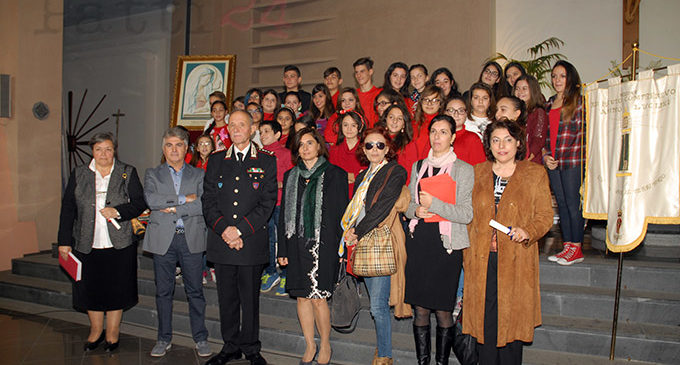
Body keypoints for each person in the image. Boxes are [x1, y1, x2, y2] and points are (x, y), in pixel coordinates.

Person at [464, 119, 553, 365]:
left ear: (518, 144)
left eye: (508, 140)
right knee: (485, 324)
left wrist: (528, 231)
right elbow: (466, 215)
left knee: (512, 322)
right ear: (488, 144)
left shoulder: (535, 174)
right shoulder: (477, 172)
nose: (501, 145)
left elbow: (545, 217)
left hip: (515, 260)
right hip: (480, 260)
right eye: (495, 140)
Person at [58, 132, 147, 352]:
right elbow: (68, 208)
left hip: (119, 242)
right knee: (90, 289)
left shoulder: (127, 172)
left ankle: (112, 332)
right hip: (86, 243)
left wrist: (117, 211)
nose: (103, 154)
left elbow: (139, 204)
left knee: (117, 288)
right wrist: (64, 240)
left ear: (114, 150)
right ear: (92, 151)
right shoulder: (79, 173)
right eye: (99, 149)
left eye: (108, 149)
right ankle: (96, 331)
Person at [202, 111, 278, 365]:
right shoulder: (215, 160)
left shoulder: (266, 160)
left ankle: (251, 347)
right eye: (231, 125)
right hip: (222, 241)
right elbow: (208, 200)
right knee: (227, 298)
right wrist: (225, 230)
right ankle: (230, 346)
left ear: (252, 128)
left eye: (241, 125)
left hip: (251, 241)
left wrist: (240, 230)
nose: (235, 129)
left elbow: (268, 203)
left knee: (249, 298)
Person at [404, 115, 473, 365]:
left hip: (446, 246)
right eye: (434, 131)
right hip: (420, 242)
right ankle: (423, 362)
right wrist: (415, 211)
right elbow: (409, 205)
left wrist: (436, 205)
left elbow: (466, 213)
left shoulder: (463, 169)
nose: (437, 136)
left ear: (453, 137)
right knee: (420, 310)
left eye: (443, 132)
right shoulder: (418, 166)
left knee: (444, 311)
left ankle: (441, 362)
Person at [277, 127, 349, 365]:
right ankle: (309, 344)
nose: (305, 148)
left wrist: (341, 250)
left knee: (319, 298)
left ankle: (325, 344)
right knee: (302, 298)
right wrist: (283, 251)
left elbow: (342, 214)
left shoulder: (335, 174)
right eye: (301, 144)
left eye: (310, 143)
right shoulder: (290, 176)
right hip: (296, 244)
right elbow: (283, 216)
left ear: (319, 146)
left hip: (324, 246)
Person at [341, 126, 411, 365]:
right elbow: (356, 210)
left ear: (388, 148)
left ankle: (384, 355)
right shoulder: (362, 176)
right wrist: (349, 233)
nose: (374, 149)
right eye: (369, 145)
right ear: (363, 148)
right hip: (359, 241)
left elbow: (380, 209)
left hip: (378, 241)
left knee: (378, 307)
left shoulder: (395, 171)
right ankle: (382, 351)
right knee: (375, 305)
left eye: (380, 145)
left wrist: (357, 232)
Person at [143, 127, 211, 358]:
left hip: (190, 238)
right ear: (164, 149)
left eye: (178, 144)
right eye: (169, 145)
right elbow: (152, 200)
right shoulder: (153, 174)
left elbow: (203, 204)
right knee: (163, 292)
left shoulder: (199, 175)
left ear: (187, 149)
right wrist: (184, 200)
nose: (174, 149)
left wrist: (171, 207)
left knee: (195, 291)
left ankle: (200, 338)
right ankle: (163, 338)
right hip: (163, 240)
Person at [543, 60, 586, 266]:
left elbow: (582, 134)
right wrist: (545, 156)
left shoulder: (578, 101)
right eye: (554, 76)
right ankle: (567, 246)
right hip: (553, 162)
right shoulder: (550, 102)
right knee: (561, 205)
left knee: (572, 205)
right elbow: (545, 135)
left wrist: (560, 157)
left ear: (570, 77)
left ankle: (576, 247)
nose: (557, 80)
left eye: (562, 76)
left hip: (572, 160)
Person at [259, 119, 293, 296]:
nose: (263, 135)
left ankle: (287, 274)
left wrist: (279, 184)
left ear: (277, 134)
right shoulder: (257, 154)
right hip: (264, 205)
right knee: (267, 239)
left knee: (284, 240)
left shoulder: (286, 153)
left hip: (281, 202)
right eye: (261, 132)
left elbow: (292, 178)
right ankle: (271, 271)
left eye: (267, 131)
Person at [329, 110, 368, 196]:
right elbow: (332, 175)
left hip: (361, 194)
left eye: (353, 125)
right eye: (345, 125)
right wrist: (352, 176)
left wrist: (347, 176)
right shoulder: (334, 150)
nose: (349, 129)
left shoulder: (366, 149)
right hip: (339, 193)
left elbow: (366, 176)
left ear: (360, 128)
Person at [376, 104, 419, 180]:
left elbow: (409, 175)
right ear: (385, 119)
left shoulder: (409, 145)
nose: (394, 121)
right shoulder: (376, 138)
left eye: (399, 119)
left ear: (404, 124)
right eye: (391, 117)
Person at [514, 74, 548, 164]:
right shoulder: (514, 112)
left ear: (533, 90)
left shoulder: (538, 112)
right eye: (517, 88)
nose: (520, 91)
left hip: (530, 162)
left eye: (524, 88)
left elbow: (538, 140)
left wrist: (526, 158)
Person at [444, 96, 486, 166]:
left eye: (461, 111)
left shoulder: (473, 138)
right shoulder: (437, 135)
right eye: (451, 110)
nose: (456, 114)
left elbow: (479, 168)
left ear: (466, 114)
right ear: (444, 112)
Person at [413, 85, 444, 158]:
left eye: (434, 100)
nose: (429, 103)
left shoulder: (444, 125)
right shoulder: (412, 123)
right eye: (426, 99)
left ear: (440, 104)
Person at [353, 57, 383, 127]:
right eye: (356, 72)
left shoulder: (380, 94)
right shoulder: (353, 95)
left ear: (370, 72)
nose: (359, 75)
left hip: (375, 134)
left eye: (362, 71)